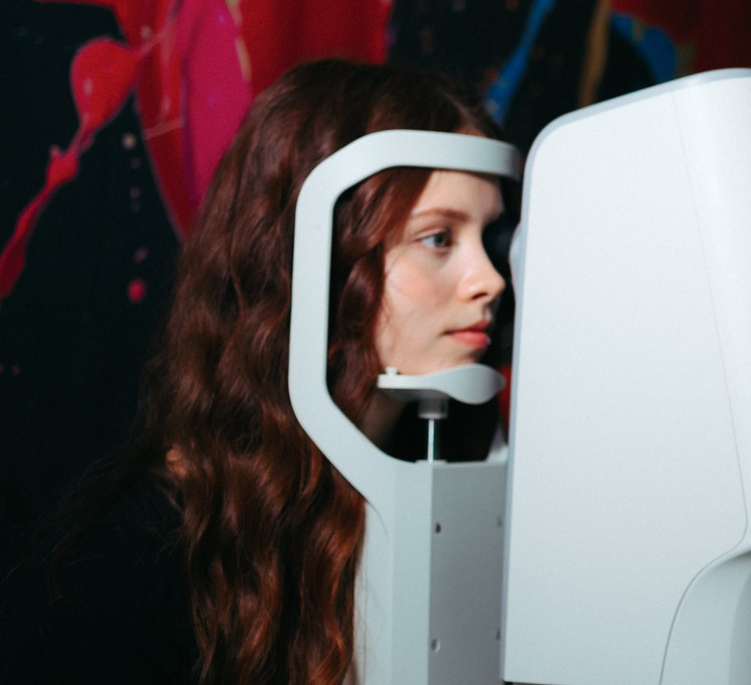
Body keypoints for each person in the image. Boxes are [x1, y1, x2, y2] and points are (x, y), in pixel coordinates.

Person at [0, 59, 510, 683]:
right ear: (318, 256)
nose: (490, 280)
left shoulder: (449, 511)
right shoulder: (119, 580)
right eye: (439, 238)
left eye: (490, 237)